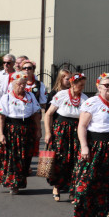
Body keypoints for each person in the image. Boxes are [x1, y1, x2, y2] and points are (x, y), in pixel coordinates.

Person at [73, 74, 109, 217]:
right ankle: (86, 211)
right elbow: (82, 126)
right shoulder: (92, 103)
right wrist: (84, 146)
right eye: (106, 85)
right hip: (96, 146)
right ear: (99, 87)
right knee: (90, 179)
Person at [0, 73, 41, 194]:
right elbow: (1, 117)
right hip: (12, 129)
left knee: (25, 158)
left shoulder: (30, 97)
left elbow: (36, 115)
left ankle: (19, 181)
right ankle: (14, 184)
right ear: (13, 85)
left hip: (27, 129)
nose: (22, 86)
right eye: (20, 84)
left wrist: (38, 130)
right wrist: (1, 134)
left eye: (24, 83)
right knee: (13, 158)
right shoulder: (7, 98)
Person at [44, 72, 88, 202]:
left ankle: (72, 189)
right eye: (80, 85)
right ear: (73, 84)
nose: (82, 88)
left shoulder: (85, 98)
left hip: (76, 131)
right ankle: (57, 187)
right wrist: (48, 132)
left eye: (83, 85)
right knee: (60, 159)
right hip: (61, 131)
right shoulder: (61, 95)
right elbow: (48, 114)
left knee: (76, 160)